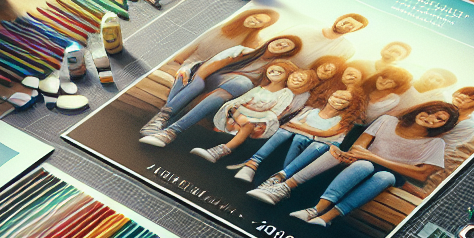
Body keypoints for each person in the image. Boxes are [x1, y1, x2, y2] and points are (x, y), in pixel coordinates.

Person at [251, 103, 460, 225]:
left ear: (444, 126)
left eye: (439, 119)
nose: (431, 118)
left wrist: (375, 158)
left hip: (390, 174)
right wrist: (356, 156)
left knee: (383, 175)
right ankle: (297, 198)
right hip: (362, 162)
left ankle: (326, 216)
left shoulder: (435, 143)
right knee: (353, 161)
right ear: (420, 110)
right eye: (430, 112)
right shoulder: (387, 120)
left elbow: (422, 175)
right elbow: (359, 148)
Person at [139, 35, 303, 146]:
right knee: (199, 85)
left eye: (286, 46)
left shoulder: (271, 71)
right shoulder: (241, 51)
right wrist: (196, 80)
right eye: (281, 41)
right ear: (271, 41)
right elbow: (207, 68)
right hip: (205, 76)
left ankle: (170, 132)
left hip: (225, 92)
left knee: (241, 84)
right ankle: (161, 118)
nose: (281, 45)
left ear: (287, 52)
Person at [231, 87, 367, 184]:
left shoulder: (344, 120)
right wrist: (309, 131)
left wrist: (303, 129)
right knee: (291, 135)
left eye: (345, 99)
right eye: (336, 96)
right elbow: (288, 125)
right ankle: (252, 164)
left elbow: (327, 134)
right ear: (329, 96)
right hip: (300, 140)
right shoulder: (310, 111)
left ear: (350, 104)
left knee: (305, 138)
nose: (339, 100)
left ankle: (281, 177)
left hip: (318, 147)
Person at [191, 60, 299, 163]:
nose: (274, 73)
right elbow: (241, 100)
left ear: (287, 75)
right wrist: (236, 107)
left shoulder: (285, 93)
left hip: (261, 119)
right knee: (234, 114)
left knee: (248, 123)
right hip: (242, 113)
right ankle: (221, 133)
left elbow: (276, 111)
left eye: (279, 71)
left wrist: (255, 110)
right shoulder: (259, 89)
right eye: (272, 71)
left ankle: (221, 151)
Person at [282, 12, 367, 65]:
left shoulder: (347, 49)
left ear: (355, 30)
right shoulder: (303, 29)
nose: (347, 27)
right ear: (339, 19)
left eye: (353, 27)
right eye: (346, 22)